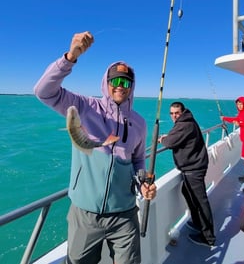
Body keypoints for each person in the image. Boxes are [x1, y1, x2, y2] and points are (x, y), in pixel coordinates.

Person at [34, 31, 156, 264]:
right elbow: (43, 92)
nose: (120, 86)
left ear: (132, 87)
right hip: (85, 213)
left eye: (126, 82)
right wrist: (70, 57)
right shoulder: (84, 106)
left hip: (125, 214)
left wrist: (143, 185)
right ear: (106, 83)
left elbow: (138, 160)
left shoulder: (139, 122)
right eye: (116, 81)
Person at [158, 101, 216, 248]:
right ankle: (198, 223)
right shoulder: (186, 122)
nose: (173, 116)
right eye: (171, 113)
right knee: (187, 191)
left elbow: (170, 142)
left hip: (193, 169)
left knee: (200, 201)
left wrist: (163, 139)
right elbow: (176, 135)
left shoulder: (184, 124)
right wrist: (168, 136)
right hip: (193, 167)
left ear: (182, 112)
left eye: (176, 113)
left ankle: (208, 237)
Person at [221, 96, 244, 200]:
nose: (239, 106)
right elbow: (236, 120)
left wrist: (240, 123)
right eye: (238, 104)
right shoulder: (241, 113)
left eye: (241, 104)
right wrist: (225, 118)